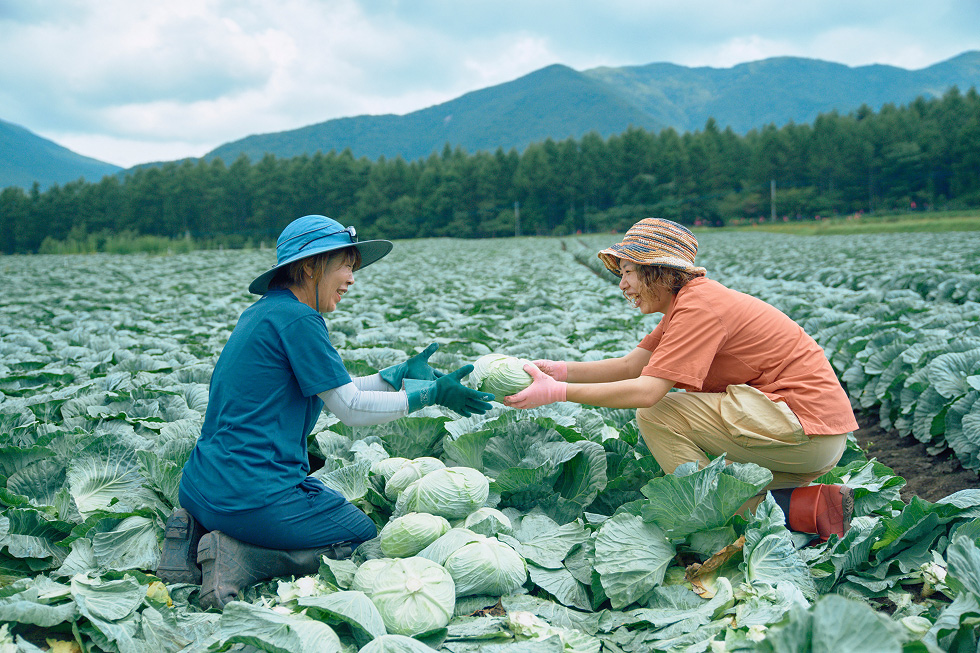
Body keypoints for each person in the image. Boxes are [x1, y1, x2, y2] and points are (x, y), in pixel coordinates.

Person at [156, 215, 494, 609]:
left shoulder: (266, 312)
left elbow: (338, 390)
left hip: (200, 487)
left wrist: (399, 377)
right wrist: (428, 396)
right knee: (357, 534)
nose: (352, 279)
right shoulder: (300, 320)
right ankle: (239, 559)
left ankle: (192, 534)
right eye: (345, 266)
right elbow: (349, 408)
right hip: (251, 495)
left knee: (316, 501)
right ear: (310, 267)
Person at [504, 218, 857, 541]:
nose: (623, 284)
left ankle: (719, 518)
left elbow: (647, 391)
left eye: (628, 271)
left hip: (801, 429)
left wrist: (559, 393)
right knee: (705, 464)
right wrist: (558, 371)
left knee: (658, 413)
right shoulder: (689, 302)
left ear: (660, 271)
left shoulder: (699, 307)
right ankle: (805, 506)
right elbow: (631, 366)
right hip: (809, 435)